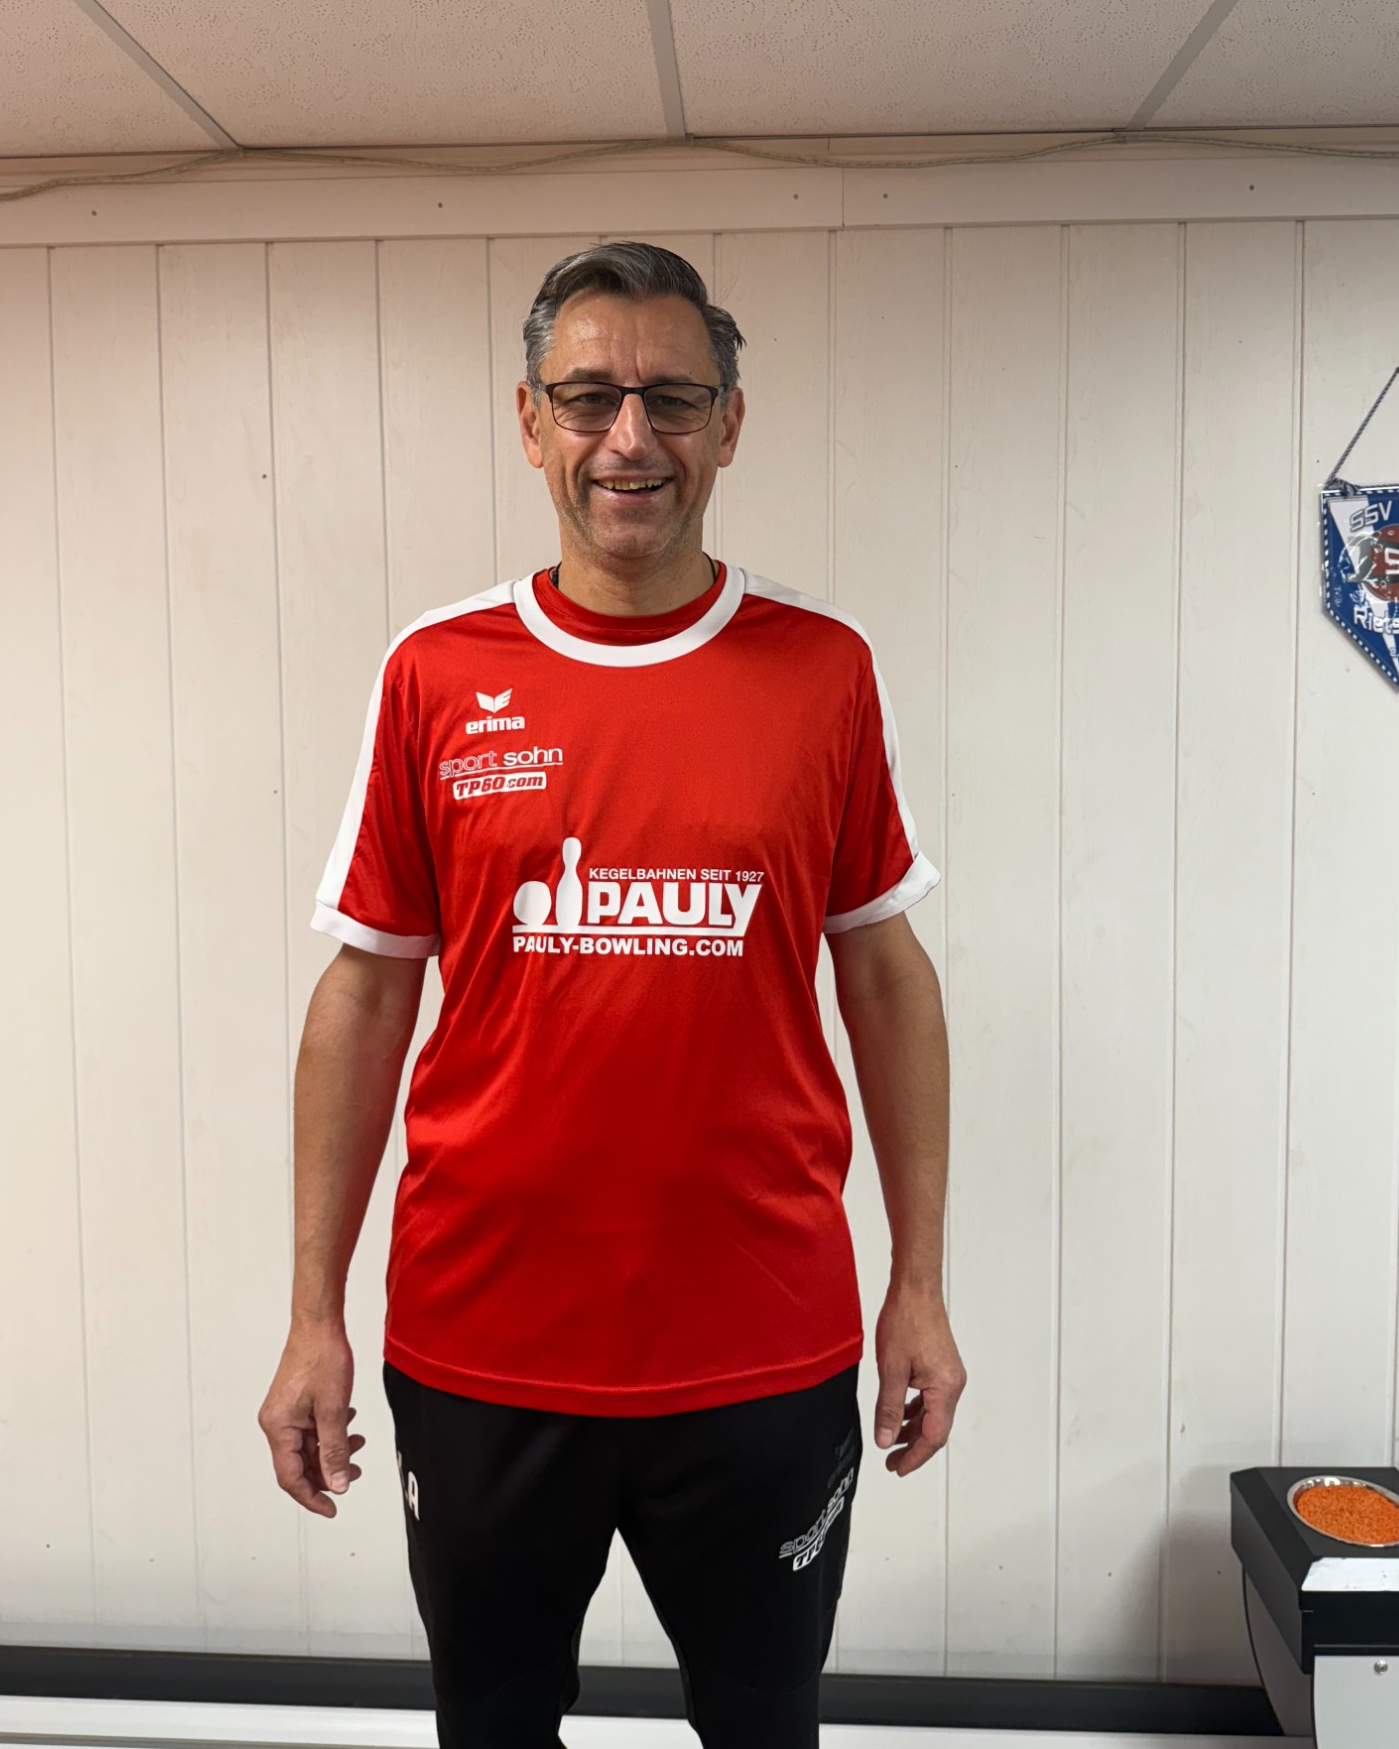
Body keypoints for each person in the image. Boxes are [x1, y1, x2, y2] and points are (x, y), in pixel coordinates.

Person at [258, 242, 965, 1748]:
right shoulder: (435, 674)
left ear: (730, 423)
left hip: (761, 1345)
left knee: (763, 1726)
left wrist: (919, 1282)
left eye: (672, 399)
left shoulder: (824, 672)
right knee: (495, 1724)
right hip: (484, 1350)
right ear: (532, 422)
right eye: (588, 397)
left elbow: (887, 977)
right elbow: (365, 998)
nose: (629, 437)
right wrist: (312, 1314)